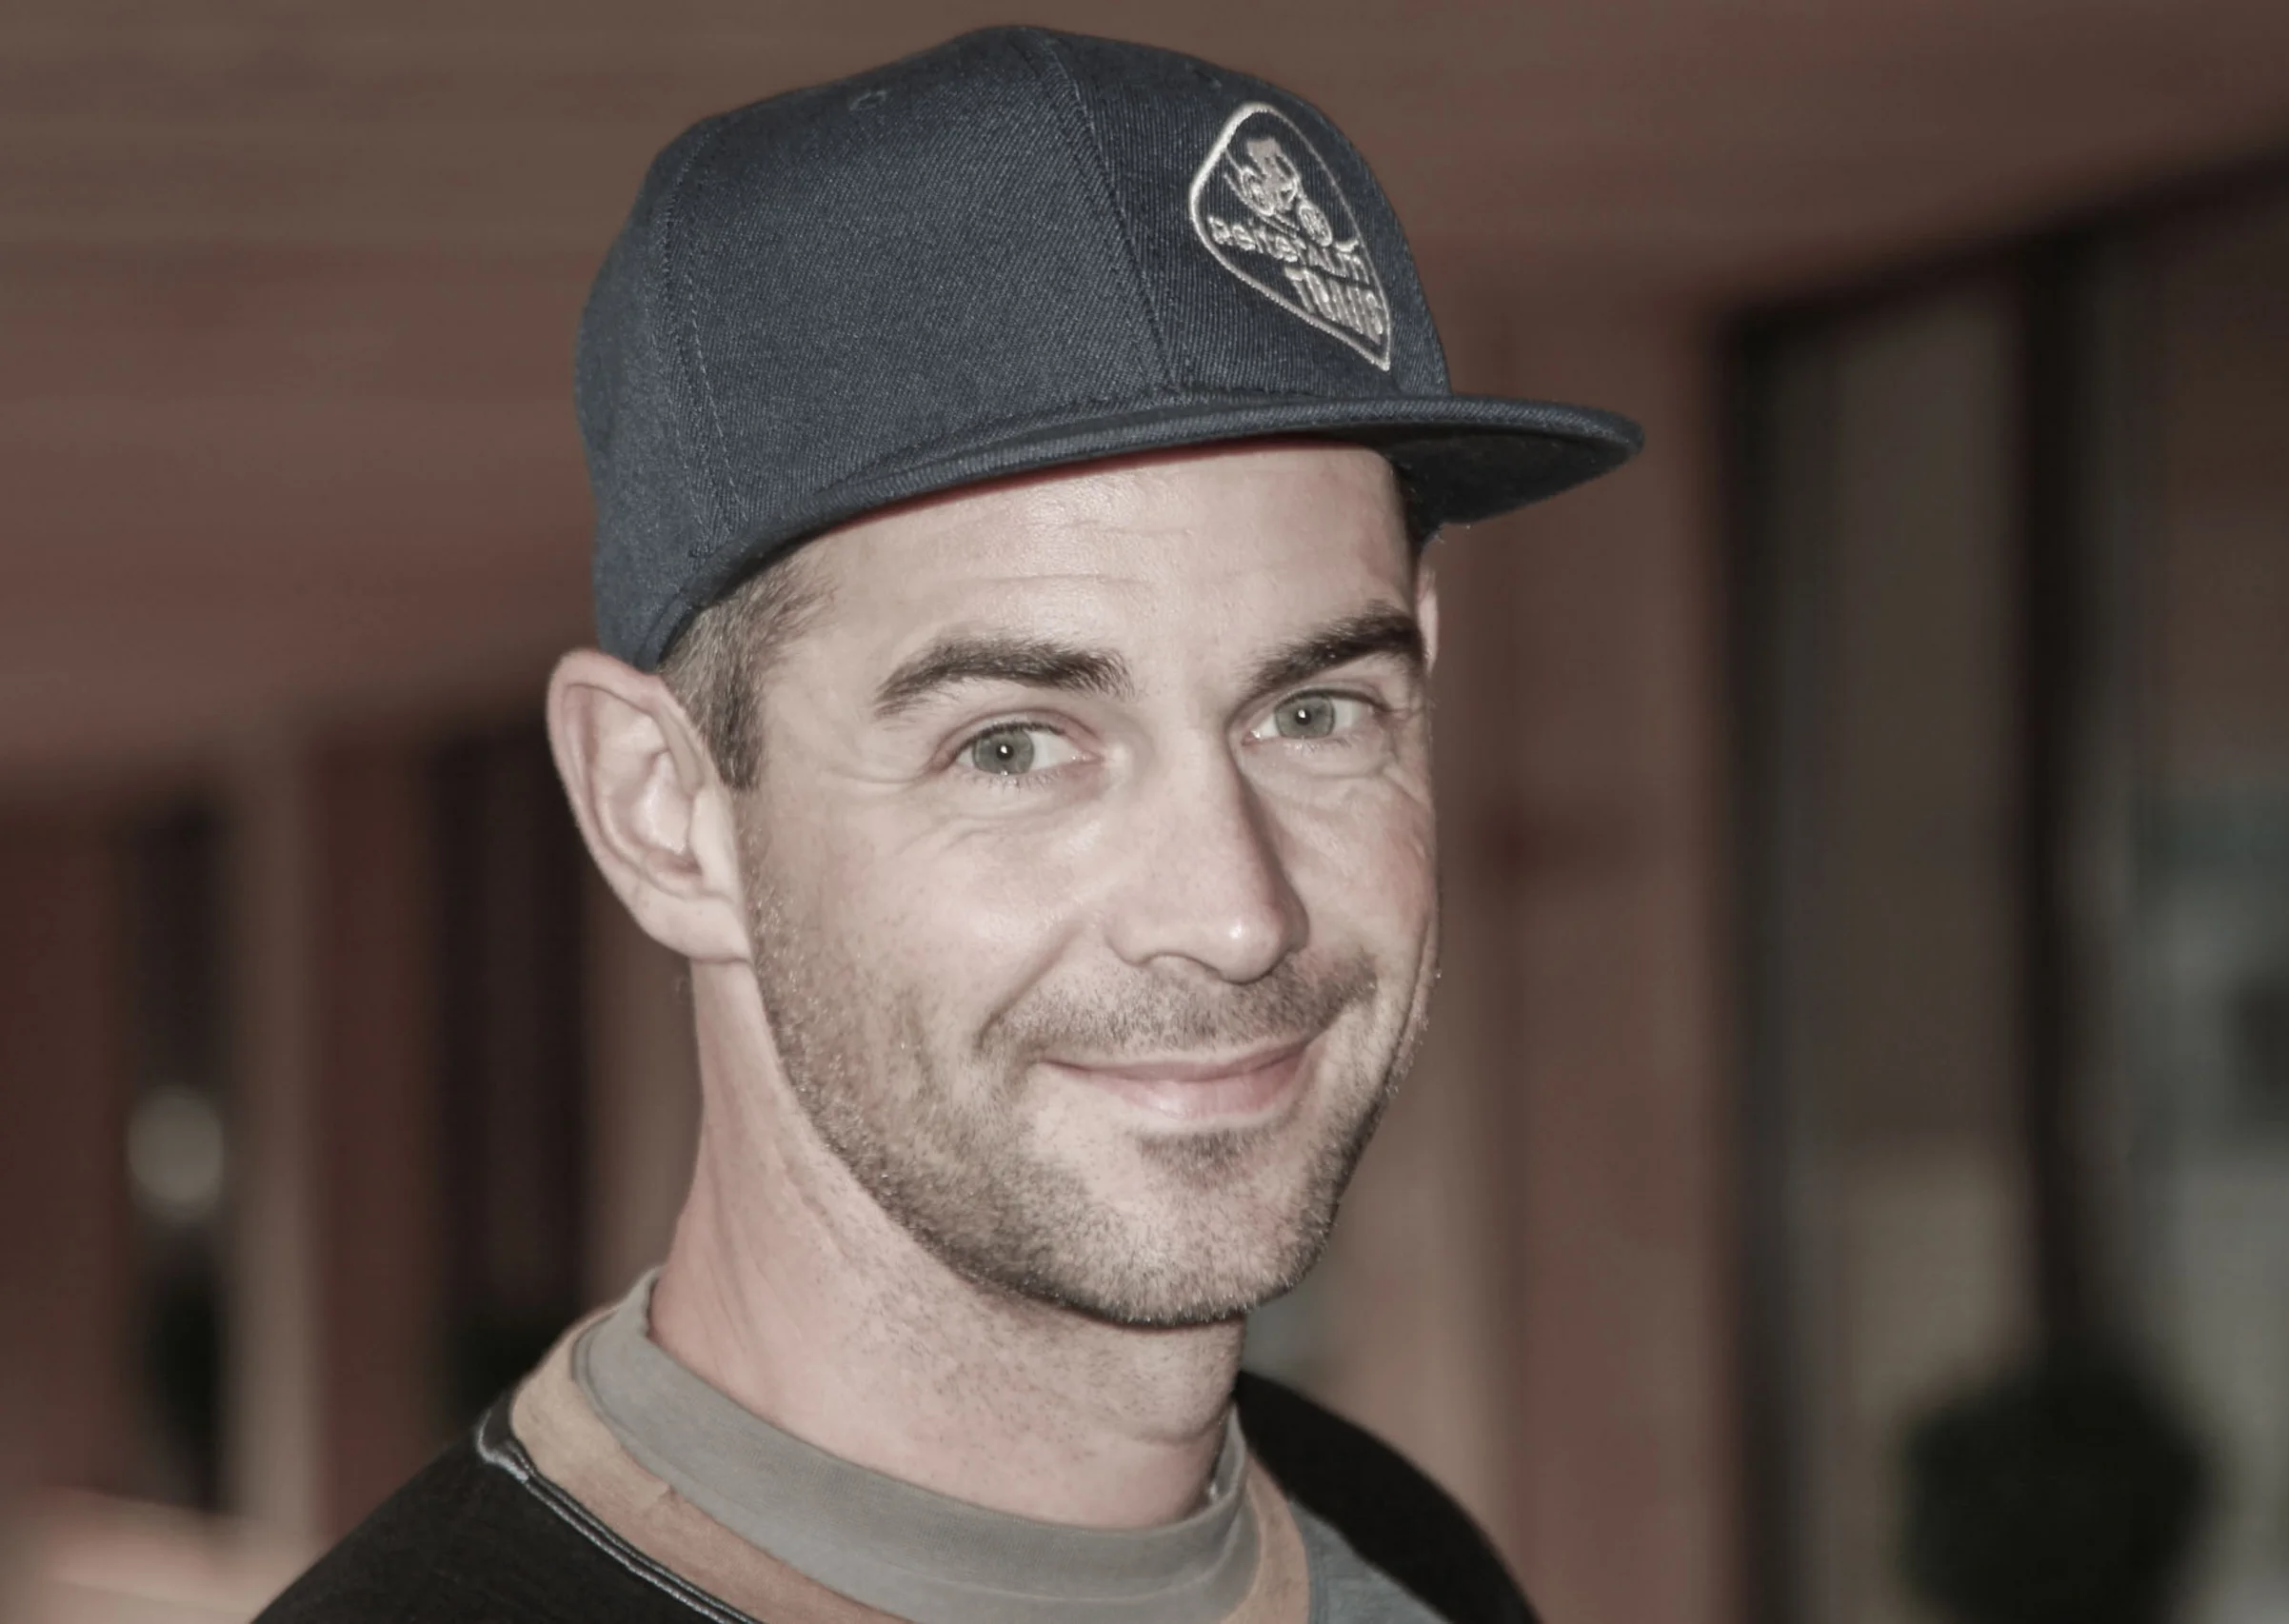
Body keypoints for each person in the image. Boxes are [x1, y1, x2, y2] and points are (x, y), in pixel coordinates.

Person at [260, 25, 1638, 1624]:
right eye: (1013, 745)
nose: (1235, 911)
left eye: (1313, 712)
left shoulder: (1405, 1548)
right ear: (662, 811)